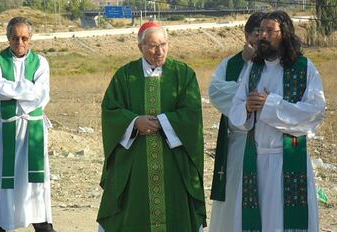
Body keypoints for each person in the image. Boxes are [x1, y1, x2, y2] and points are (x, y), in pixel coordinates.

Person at [97, 21, 206, 232]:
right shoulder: (125, 76)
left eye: (164, 44)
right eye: (153, 46)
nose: (160, 51)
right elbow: (110, 111)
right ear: (140, 47)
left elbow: (192, 113)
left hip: (174, 163)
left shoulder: (183, 74)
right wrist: (135, 122)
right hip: (135, 161)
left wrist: (163, 123)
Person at [229, 10, 325, 231]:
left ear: (285, 34)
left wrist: (269, 105)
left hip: (288, 158)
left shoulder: (303, 68)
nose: (263, 35)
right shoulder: (254, 68)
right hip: (257, 160)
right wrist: (247, 107)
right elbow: (236, 107)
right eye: (261, 30)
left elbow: (315, 111)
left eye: (270, 31)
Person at [0, 17, 54, 232]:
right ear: (8, 38)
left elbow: (40, 94)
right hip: (6, 127)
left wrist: (11, 92)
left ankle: (41, 223)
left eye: (24, 38)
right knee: (4, 175)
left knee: (34, 178)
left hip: (32, 127)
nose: (20, 42)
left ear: (31, 39)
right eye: (15, 37)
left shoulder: (41, 62)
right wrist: (24, 89)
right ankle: (2, 223)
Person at [207, 12, 265, 232]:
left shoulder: (277, 62)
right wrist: (249, 94)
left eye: (266, 33)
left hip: (269, 145)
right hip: (238, 145)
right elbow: (215, 92)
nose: (260, 38)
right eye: (256, 32)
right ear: (246, 35)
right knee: (234, 202)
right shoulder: (230, 64)